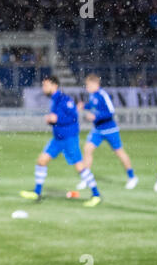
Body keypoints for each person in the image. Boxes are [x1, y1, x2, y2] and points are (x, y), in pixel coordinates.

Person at [20, 76, 102, 207]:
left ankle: (96, 195)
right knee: (41, 161)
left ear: (54, 85)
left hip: (69, 139)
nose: (43, 88)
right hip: (58, 139)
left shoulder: (64, 99)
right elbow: (58, 119)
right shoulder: (54, 100)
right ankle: (37, 192)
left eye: (46, 85)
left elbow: (73, 117)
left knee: (80, 167)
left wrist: (57, 118)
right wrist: (53, 120)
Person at [77, 74, 138, 190]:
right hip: (97, 130)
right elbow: (93, 105)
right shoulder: (93, 95)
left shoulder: (103, 95)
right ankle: (86, 179)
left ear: (96, 84)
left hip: (110, 129)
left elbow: (111, 111)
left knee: (119, 152)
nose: (87, 88)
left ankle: (132, 177)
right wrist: (84, 106)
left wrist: (96, 117)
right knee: (87, 149)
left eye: (89, 85)